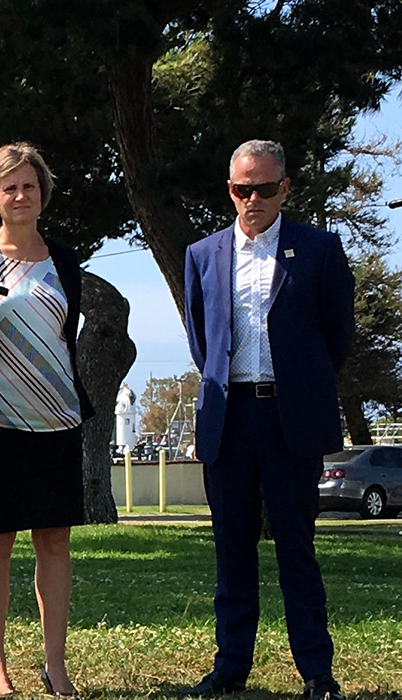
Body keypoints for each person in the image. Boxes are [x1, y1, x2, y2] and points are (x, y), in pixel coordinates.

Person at [182, 140, 354, 700]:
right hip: (228, 420)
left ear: (285, 188)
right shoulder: (202, 254)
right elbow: (201, 338)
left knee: (295, 550)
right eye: (240, 188)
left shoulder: (321, 249)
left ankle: (316, 673)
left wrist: (300, 385)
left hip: (290, 421)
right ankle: (230, 668)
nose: (250, 199)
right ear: (229, 190)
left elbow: (338, 336)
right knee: (232, 553)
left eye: (261, 187)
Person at [0, 143, 95, 699]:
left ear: (42, 192)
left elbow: (64, 331)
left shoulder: (66, 260)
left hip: (59, 419)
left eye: (29, 185)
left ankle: (55, 666)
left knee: (54, 541)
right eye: (9, 187)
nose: (20, 195)